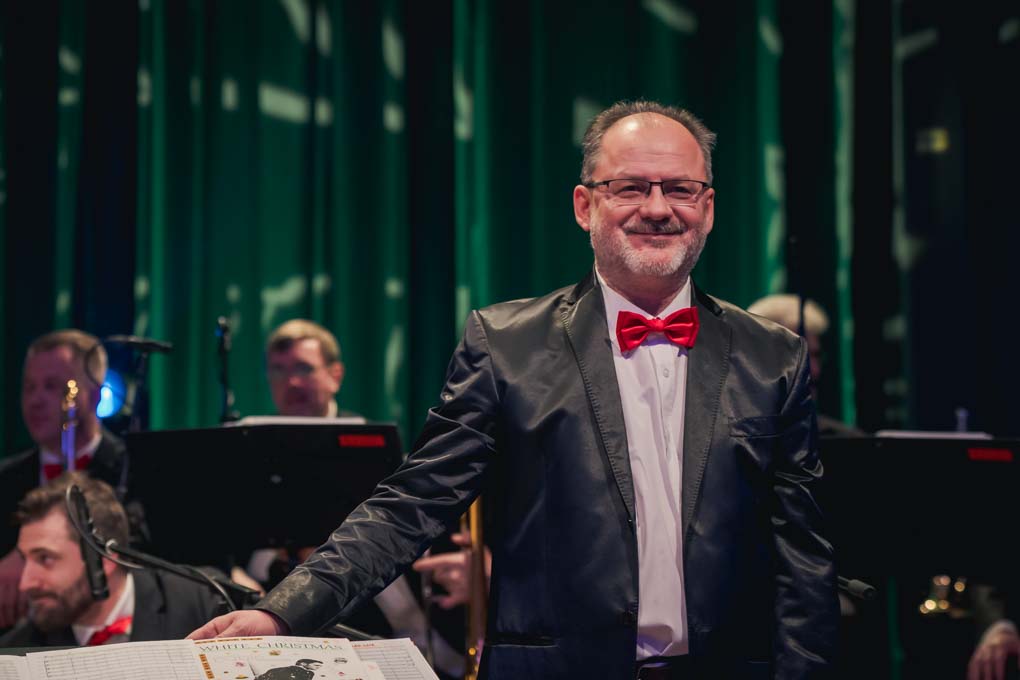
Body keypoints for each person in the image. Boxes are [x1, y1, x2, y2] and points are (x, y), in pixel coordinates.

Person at [191, 100, 839, 678]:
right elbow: (410, 504)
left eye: (680, 189)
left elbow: (802, 560)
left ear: (709, 208)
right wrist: (282, 612)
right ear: (584, 205)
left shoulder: (773, 356)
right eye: (630, 187)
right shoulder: (506, 343)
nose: (657, 208)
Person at [0, 472, 226, 648]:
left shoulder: (201, 598)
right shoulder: (17, 650)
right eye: (24, 560)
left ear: (104, 558)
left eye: (45, 558)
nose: (25, 583)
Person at [0, 330, 129, 630]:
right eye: (29, 387)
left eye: (51, 386)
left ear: (94, 395)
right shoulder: (5, 479)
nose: (35, 400)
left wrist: (25, 558)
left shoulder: (132, 468)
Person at [746, 294, 863, 437]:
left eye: (815, 355)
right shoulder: (728, 441)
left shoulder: (846, 440)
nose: (814, 370)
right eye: (797, 356)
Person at [265, 319, 354, 418]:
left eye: (303, 370)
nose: (291, 382)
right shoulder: (258, 428)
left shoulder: (360, 428)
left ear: (335, 376)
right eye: (278, 372)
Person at [254, 658, 323, 680]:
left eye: (320, 666)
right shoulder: (283, 670)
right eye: (316, 665)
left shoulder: (310, 673)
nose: (318, 667)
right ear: (303, 663)